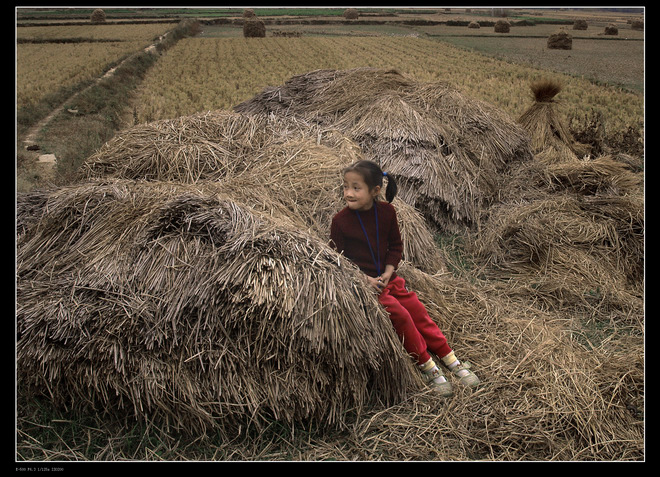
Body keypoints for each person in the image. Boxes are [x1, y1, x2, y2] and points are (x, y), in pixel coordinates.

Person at [330, 160, 480, 396]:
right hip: (365, 286)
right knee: (399, 315)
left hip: (389, 279)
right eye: (345, 186)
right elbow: (338, 260)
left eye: (356, 188)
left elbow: (395, 247)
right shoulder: (340, 222)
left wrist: (389, 271)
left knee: (416, 309)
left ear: (375, 191)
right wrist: (365, 280)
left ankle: (449, 357)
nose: (348, 193)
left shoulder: (387, 213)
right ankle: (426, 364)